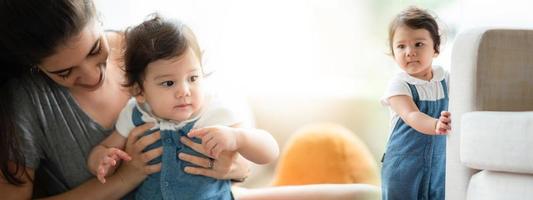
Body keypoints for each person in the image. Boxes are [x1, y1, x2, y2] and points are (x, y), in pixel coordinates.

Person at [0, 0, 251, 199]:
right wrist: (125, 178)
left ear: (98, 15)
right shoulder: (25, 103)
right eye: (64, 72)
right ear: (35, 66)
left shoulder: (144, 51)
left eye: (95, 49)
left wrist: (234, 168)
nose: (91, 76)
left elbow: (213, 114)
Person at [87, 15, 279, 200]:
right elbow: (104, 147)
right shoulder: (137, 114)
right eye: (169, 83)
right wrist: (102, 159)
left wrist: (239, 138)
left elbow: (270, 151)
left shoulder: (213, 113)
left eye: (193, 78)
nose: (184, 91)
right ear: (139, 91)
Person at [380, 6, 452, 200]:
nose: (409, 52)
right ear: (393, 52)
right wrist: (436, 124)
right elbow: (411, 115)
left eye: (418, 44)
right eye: (401, 46)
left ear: (435, 48)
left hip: (437, 166)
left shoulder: (444, 79)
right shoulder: (399, 84)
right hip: (402, 169)